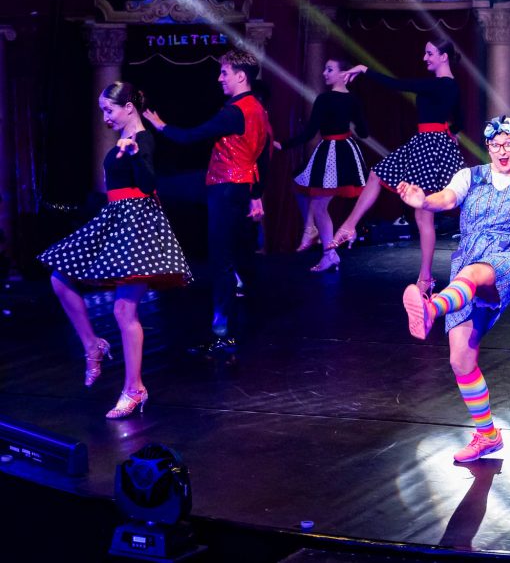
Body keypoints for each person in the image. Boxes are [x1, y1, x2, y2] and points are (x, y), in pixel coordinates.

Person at [397, 116, 510, 462]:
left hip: (506, 258)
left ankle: (431, 308)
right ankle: (487, 435)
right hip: (468, 259)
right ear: (488, 147)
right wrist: (424, 202)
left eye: (509, 144)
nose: (502, 151)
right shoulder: (470, 177)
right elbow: (447, 199)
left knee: (475, 274)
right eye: (496, 145)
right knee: (461, 360)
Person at [38, 82, 192, 418]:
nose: (105, 117)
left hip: (137, 226)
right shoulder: (124, 139)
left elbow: (149, 185)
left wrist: (135, 153)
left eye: (109, 110)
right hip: (115, 219)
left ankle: (134, 389)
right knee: (59, 277)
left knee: (124, 310)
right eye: (102, 111)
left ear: (128, 108)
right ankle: (92, 345)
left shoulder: (143, 139)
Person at [143, 49, 271, 355]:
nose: (219, 78)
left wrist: (159, 125)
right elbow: (262, 154)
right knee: (232, 255)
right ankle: (228, 325)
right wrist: (256, 193)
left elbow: (190, 137)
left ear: (241, 76)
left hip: (226, 187)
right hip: (237, 186)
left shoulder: (234, 111)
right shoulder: (257, 108)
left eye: (224, 72)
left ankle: (223, 332)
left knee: (221, 259)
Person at [329, 38, 466, 296]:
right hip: (426, 142)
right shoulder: (448, 86)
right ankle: (349, 226)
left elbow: (397, 84)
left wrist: (364, 69)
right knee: (377, 174)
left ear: (444, 56)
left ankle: (425, 277)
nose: (425, 58)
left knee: (423, 214)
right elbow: (459, 120)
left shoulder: (442, 84)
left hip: (431, 147)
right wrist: (452, 132)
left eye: (429, 53)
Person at [275, 57, 369, 272]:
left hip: (332, 153)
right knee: (317, 202)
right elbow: (364, 133)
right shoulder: (353, 100)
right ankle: (324, 246)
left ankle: (327, 251)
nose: (324, 73)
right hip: (347, 152)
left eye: (329, 69)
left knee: (317, 204)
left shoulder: (324, 99)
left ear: (343, 73)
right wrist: (354, 123)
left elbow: (310, 132)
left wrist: (284, 144)